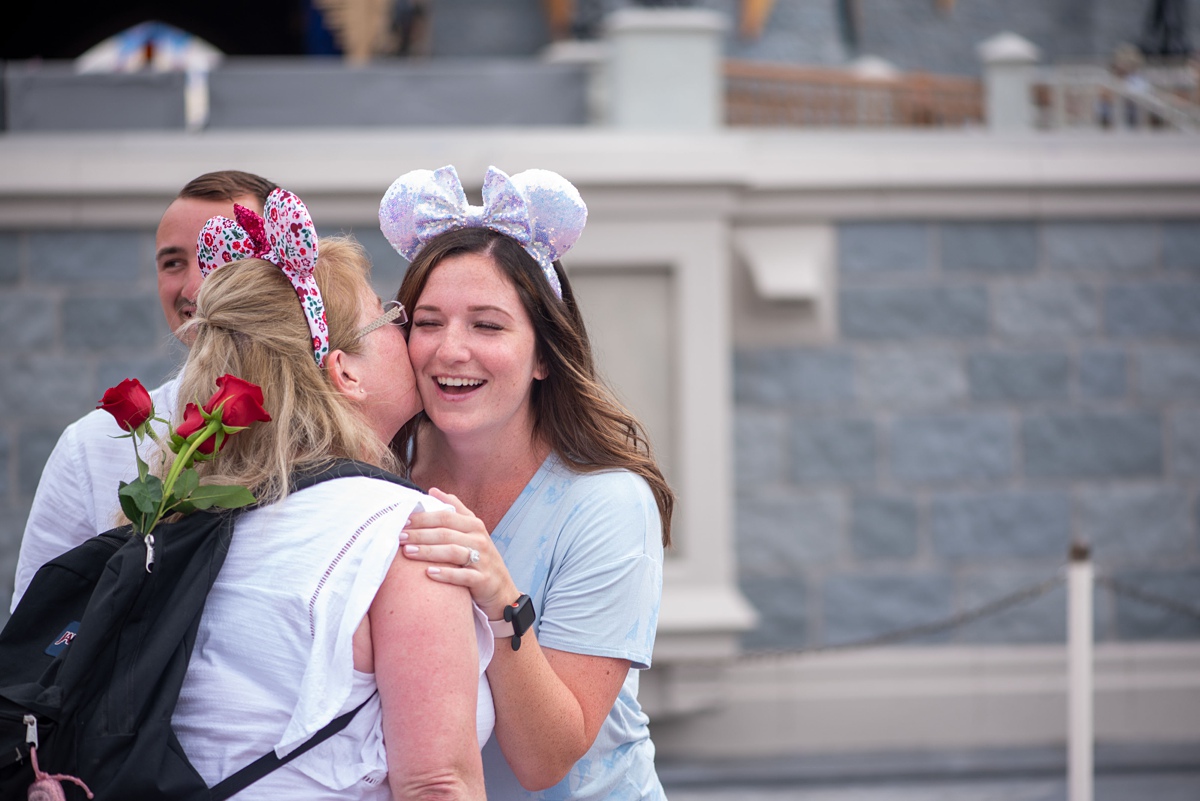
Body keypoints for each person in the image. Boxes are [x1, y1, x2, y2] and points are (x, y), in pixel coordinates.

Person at [170, 188, 491, 798]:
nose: (411, 335)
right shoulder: (401, 534)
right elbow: (438, 784)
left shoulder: (195, 511)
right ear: (344, 372)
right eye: (390, 316)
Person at [380, 165, 674, 800]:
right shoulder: (379, 473)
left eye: (487, 325)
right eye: (427, 323)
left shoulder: (608, 504)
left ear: (544, 354)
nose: (449, 350)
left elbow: (547, 762)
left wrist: (501, 599)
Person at [10, 170, 277, 610]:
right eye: (173, 262)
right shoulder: (89, 449)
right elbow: (36, 626)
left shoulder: (343, 420)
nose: (194, 287)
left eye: (222, 253)